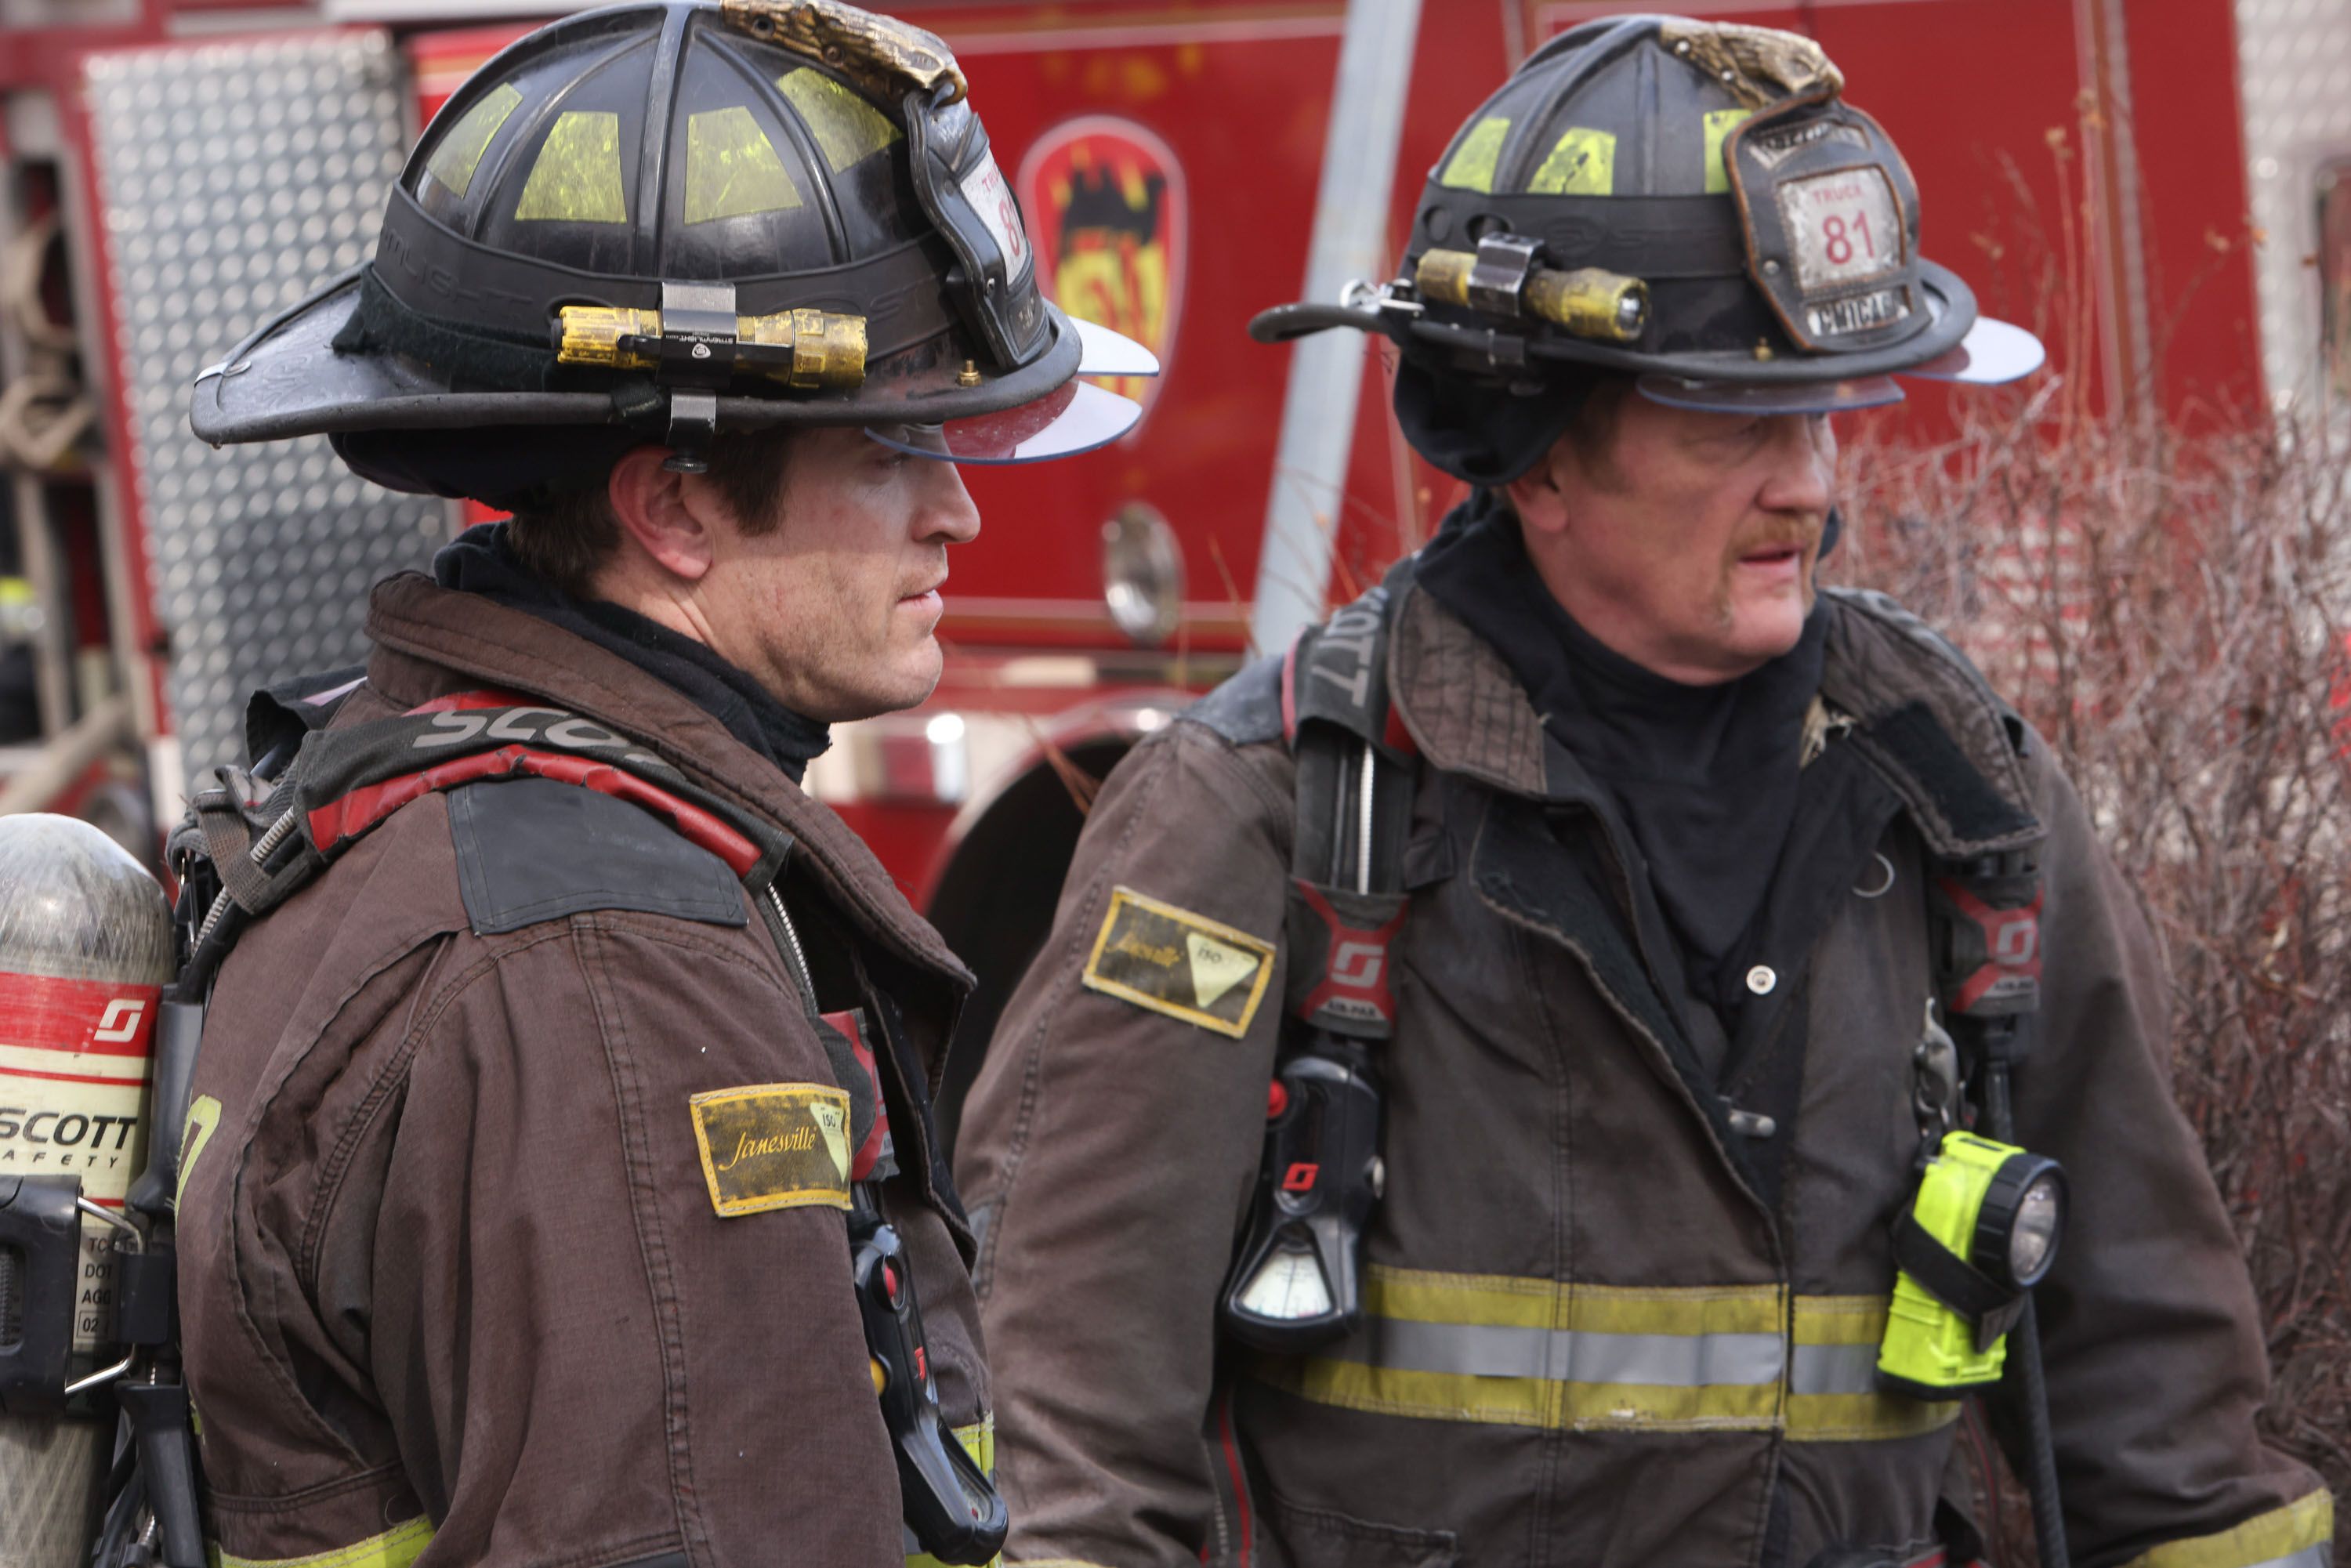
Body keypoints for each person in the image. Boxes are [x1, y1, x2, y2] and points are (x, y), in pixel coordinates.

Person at [953, 17, 2333, 1568]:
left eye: (1822, 410)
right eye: (1732, 419)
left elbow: (2170, 1433)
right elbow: (1065, 1442)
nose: (1809, 480)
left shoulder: (1966, 804)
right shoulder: (1263, 818)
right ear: (1535, 454)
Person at [168, 4, 1154, 1565]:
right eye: (893, 443)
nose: (957, 510)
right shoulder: (610, 974)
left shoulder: (426, 799)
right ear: (679, 506)